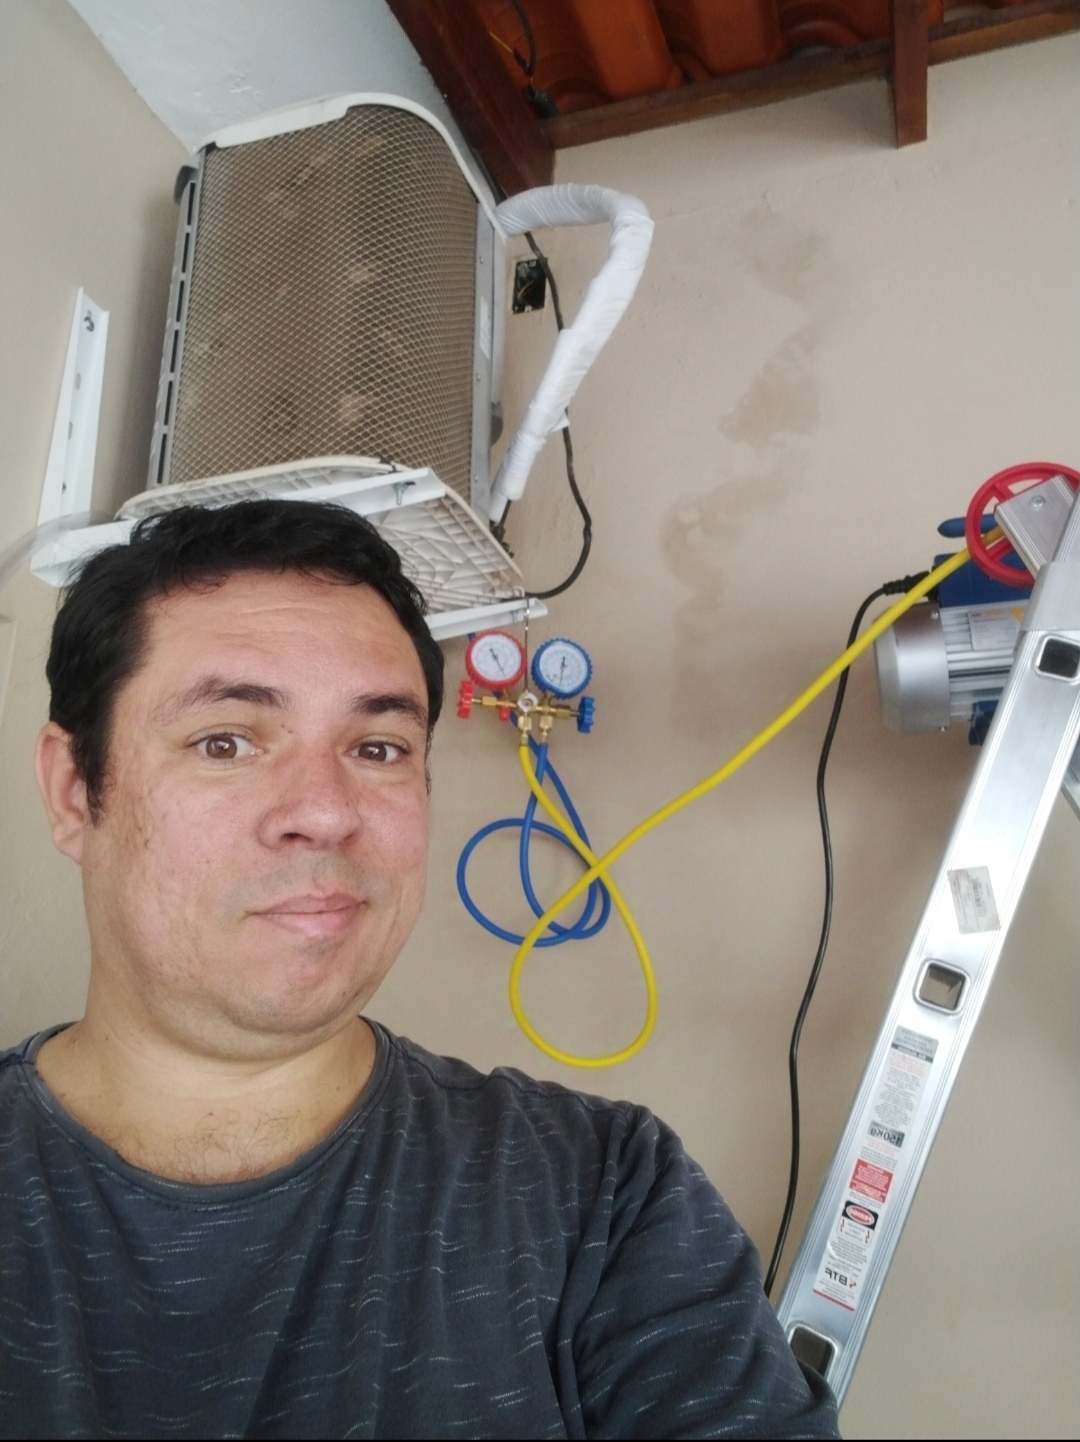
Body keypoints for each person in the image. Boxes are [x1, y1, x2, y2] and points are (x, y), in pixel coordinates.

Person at [0, 500, 839, 1439]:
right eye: (225, 741)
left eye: (377, 748)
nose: (326, 811)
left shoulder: (603, 1196)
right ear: (74, 790)